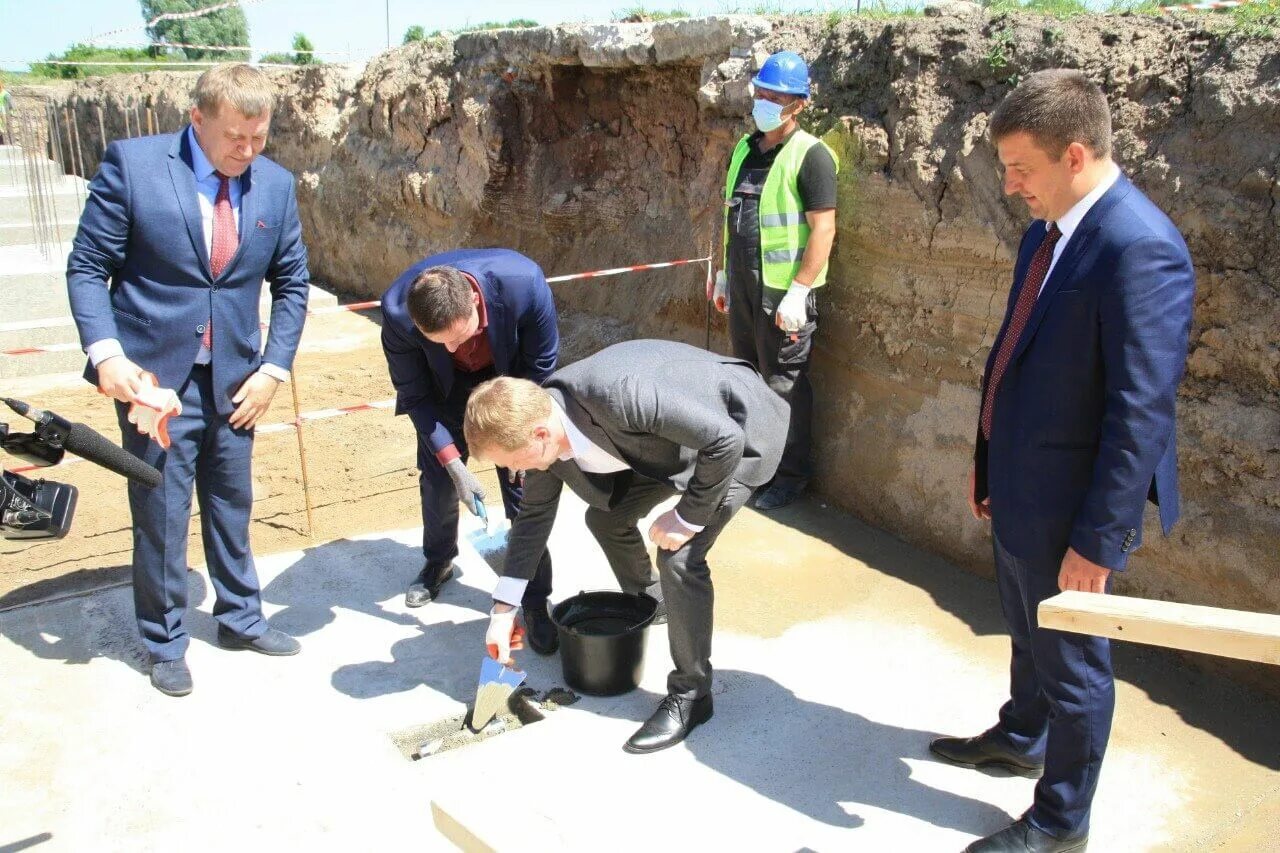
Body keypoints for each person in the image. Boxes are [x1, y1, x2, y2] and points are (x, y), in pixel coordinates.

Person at [930, 69, 1195, 853]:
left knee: (1074, 663)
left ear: (1074, 154)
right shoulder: (1048, 232)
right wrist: (988, 466)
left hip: (1072, 509)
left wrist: (1098, 541)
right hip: (1019, 485)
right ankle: (1021, 732)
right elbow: (1015, 357)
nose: (1010, 186)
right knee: (1023, 626)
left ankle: (1059, 820)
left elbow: (1140, 411)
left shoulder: (1141, 248)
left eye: (1022, 168)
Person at [67, 64, 311, 697]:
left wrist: (273, 370)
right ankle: (165, 640)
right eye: (236, 136)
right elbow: (89, 267)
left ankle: (240, 618)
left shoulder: (275, 185)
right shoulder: (135, 165)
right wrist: (108, 355)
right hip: (153, 383)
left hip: (237, 380)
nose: (248, 151)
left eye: (259, 138)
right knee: (161, 512)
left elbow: (291, 285)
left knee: (233, 504)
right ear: (197, 118)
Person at [463, 340, 788, 753]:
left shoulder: (619, 396)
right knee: (607, 518)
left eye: (510, 460)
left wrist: (688, 515)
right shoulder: (543, 426)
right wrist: (503, 608)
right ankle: (658, 602)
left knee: (679, 556)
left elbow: (724, 440)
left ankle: (692, 696)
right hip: (667, 446)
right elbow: (532, 519)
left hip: (739, 433)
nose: (511, 471)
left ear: (540, 435)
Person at [380, 249, 559, 653]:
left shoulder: (523, 283)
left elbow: (541, 370)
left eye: (458, 338)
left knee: (523, 491)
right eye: (437, 342)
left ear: (476, 302)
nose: (449, 347)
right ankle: (438, 561)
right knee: (439, 479)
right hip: (443, 393)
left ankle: (534, 599)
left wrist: (523, 440)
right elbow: (414, 395)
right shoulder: (397, 313)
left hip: (509, 381)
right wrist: (454, 463)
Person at [710, 50, 838, 511]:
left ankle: (789, 476)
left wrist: (800, 292)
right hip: (744, 288)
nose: (764, 101)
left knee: (784, 386)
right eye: (761, 92)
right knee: (746, 377)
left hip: (785, 295)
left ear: (798, 105)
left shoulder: (811, 155)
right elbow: (733, 217)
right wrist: (724, 275)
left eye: (776, 96)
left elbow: (823, 228)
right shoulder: (745, 149)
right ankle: (751, 467)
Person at [0, 77, 13, 145]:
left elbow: (10, 106)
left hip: (5, 115)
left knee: (5, 131)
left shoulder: (6, 94)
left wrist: (8, 113)